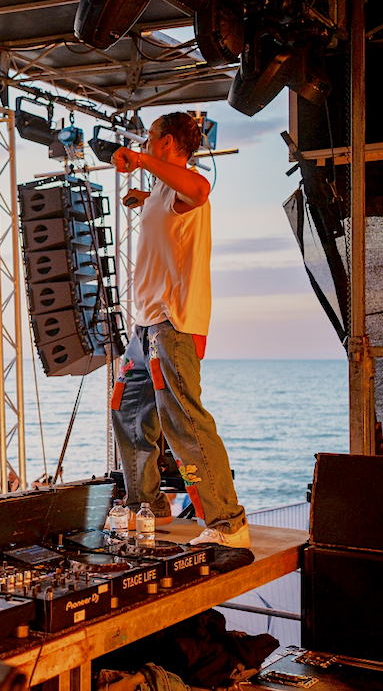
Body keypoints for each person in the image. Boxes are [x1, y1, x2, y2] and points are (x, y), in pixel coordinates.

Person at [111, 111, 248, 548]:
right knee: (128, 408)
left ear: (167, 143)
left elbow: (201, 190)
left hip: (173, 323)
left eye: (151, 140)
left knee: (183, 418)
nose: (146, 146)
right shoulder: (160, 189)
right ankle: (145, 506)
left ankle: (228, 524)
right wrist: (140, 195)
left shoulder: (184, 183)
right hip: (145, 325)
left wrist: (143, 163)